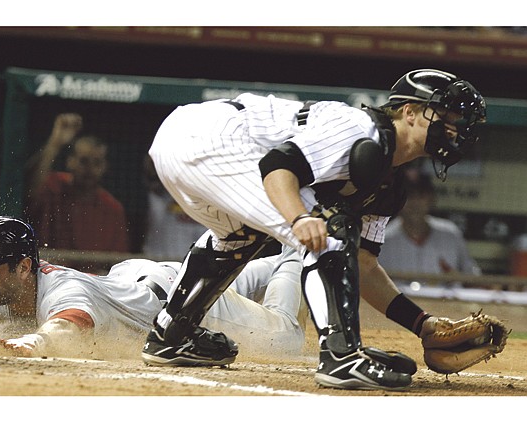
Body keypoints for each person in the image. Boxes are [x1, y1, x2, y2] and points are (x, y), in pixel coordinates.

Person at [140, 68, 486, 391]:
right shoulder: (358, 127)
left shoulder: (389, 185)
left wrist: (421, 323)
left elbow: (362, 265)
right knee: (330, 226)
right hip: (206, 133)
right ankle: (342, 357)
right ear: (410, 111)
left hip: (190, 147)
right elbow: (278, 166)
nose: (454, 128)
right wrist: (301, 218)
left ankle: (172, 335)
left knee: (240, 236)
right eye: (445, 117)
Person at [0, 216, 306, 360]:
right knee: (242, 279)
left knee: (286, 335)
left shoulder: (62, 291)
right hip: (144, 280)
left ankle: (297, 247)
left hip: (183, 302)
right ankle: (276, 261)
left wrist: (34, 343)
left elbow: (71, 319)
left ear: (24, 267)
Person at [26, 113, 129, 253]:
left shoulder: (113, 208)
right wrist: (55, 143)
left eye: (97, 163)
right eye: (83, 161)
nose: (90, 169)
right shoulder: (55, 185)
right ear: (70, 161)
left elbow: (117, 260)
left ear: (105, 166)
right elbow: (32, 186)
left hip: (93, 274)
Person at [379, 169, 481, 279]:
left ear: (431, 199)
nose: (415, 203)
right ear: (396, 200)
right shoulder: (383, 239)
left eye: (421, 195)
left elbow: (474, 277)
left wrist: (458, 277)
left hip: (443, 296)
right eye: (408, 196)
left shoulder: (451, 234)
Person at [141, 155, 208, 260]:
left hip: (199, 269)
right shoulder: (157, 196)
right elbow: (152, 161)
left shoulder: (213, 199)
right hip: (159, 266)